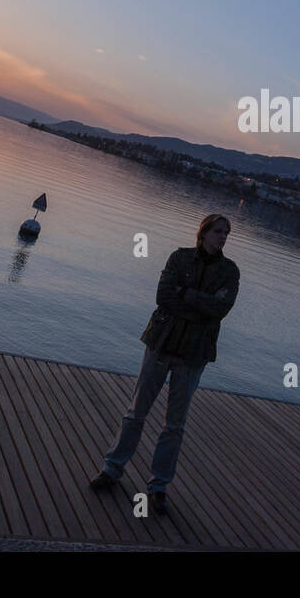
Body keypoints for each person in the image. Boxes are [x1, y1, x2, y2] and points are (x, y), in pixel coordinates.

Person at [89, 214, 240, 515]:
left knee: (174, 425)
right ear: (204, 233)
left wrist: (185, 295)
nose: (223, 237)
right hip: (161, 344)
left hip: (193, 354)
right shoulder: (179, 258)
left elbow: (220, 309)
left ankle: (158, 486)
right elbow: (163, 296)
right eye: (218, 231)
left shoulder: (229, 271)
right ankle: (112, 469)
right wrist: (200, 303)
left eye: (226, 233)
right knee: (135, 413)